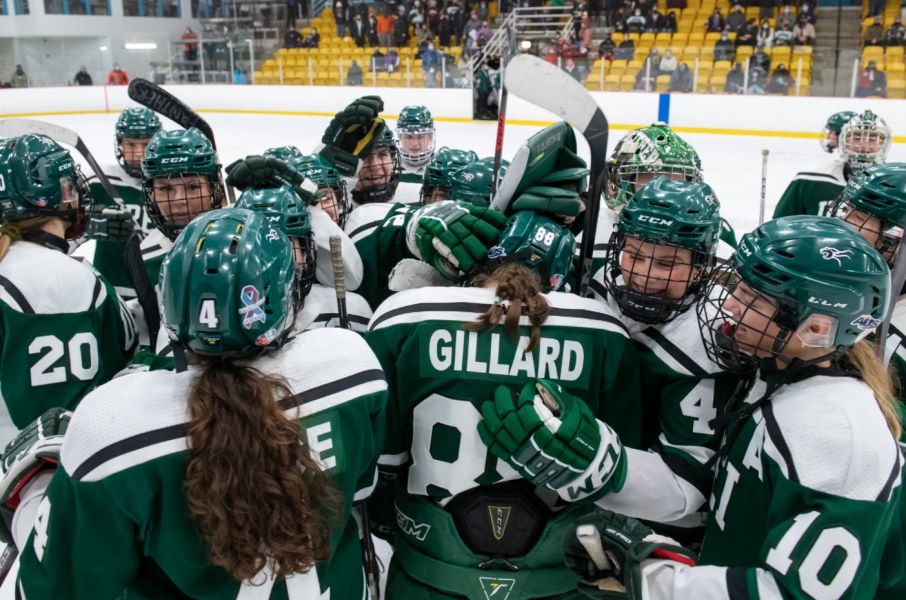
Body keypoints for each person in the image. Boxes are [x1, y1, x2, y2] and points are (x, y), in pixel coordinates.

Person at [8, 208, 387, 598]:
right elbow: (357, 493)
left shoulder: (110, 427)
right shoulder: (350, 364)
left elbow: (55, 589)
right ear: (287, 294)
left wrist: (33, 494)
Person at [563, 215, 902, 600]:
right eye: (739, 287)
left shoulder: (839, 434)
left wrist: (655, 578)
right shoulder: (773, 377)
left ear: (817, 328)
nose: (732, 304)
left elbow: (797, 594)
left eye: (753, 298)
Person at [367, 208, 644, 600]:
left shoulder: (403, 317)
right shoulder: (605, 333)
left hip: (430, 570)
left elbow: (384, 463)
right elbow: (615, 472)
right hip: (557, 578)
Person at [0, 135, 137, 446]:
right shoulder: (67, 280)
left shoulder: (11, 261)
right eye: (68, 185)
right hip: (58, 480)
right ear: (53, 193)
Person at [71, 108, 163, 303]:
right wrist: (88, 227)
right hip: (109, 296)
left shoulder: (170, 186)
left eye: (145, 144)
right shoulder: (98, 180)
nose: (138, 153)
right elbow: (58, 240)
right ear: (120, 144)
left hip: (160, 295)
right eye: (130, 144)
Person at [138, 127, 227, 284]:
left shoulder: (243, 240)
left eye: (192, 187)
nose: (179, 200)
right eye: (165, 189)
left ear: (213, 189)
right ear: (151, 194)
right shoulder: (145, 260)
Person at [773, 109, 891, 217]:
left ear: (883, 144)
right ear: (844, 141)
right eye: (856, 138)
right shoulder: (810, 179)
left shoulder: (895, 186)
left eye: (872, 139)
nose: (863, 145)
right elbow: (781, 222)